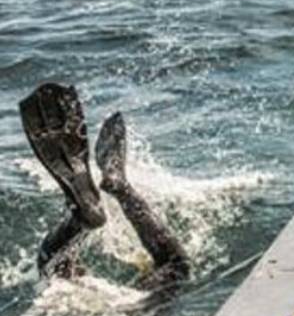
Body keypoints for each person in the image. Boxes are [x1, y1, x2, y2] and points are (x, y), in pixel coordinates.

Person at [19, 83, 189, 283]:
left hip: (78, 305)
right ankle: (116, 185)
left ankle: (84, 216)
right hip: (135, 309)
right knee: (176, 267)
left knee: (56, 276)